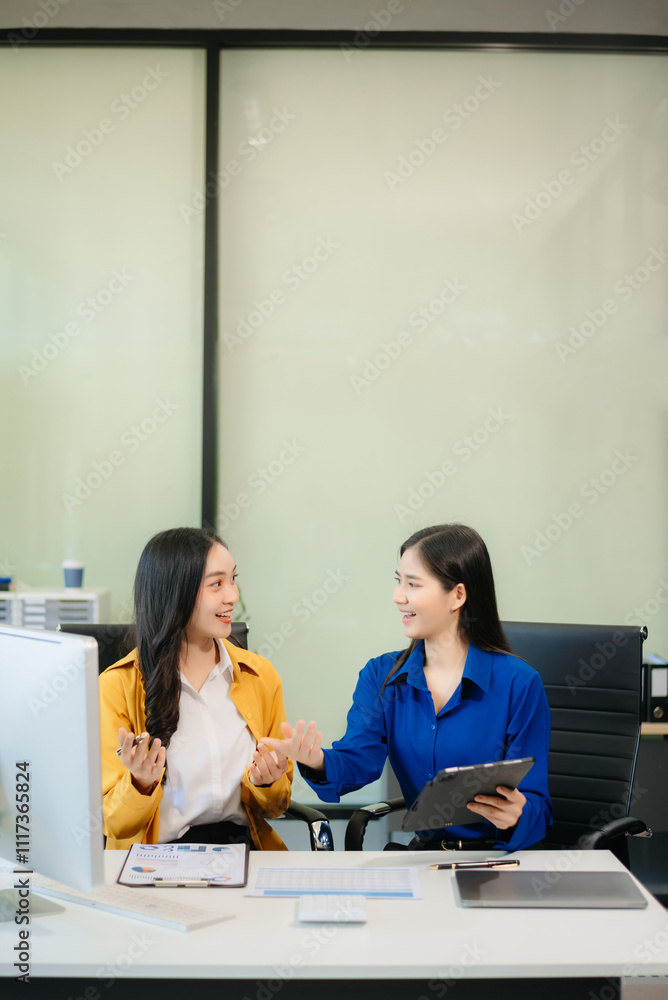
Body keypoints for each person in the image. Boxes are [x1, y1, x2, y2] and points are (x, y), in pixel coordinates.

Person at [260, 523, 552, 852]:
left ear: (457, 595)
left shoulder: (519, 684)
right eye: (399, 581)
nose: (398, 596)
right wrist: (317, 761)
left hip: (496, 860)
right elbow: (358, 761)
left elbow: (537, 806)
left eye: (413, 584)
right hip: (423, 860)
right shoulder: (383, 676)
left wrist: (518, 813)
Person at [99, 527, 293, 851]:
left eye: (233, 580)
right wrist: (139, 783)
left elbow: (276, 807)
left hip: (241, 851)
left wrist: (269, 783)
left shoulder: (260, 676)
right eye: (216, 584)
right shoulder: (116, 687)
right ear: (175, 593)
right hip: (156, 860)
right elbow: (117, 824)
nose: (232, 596)